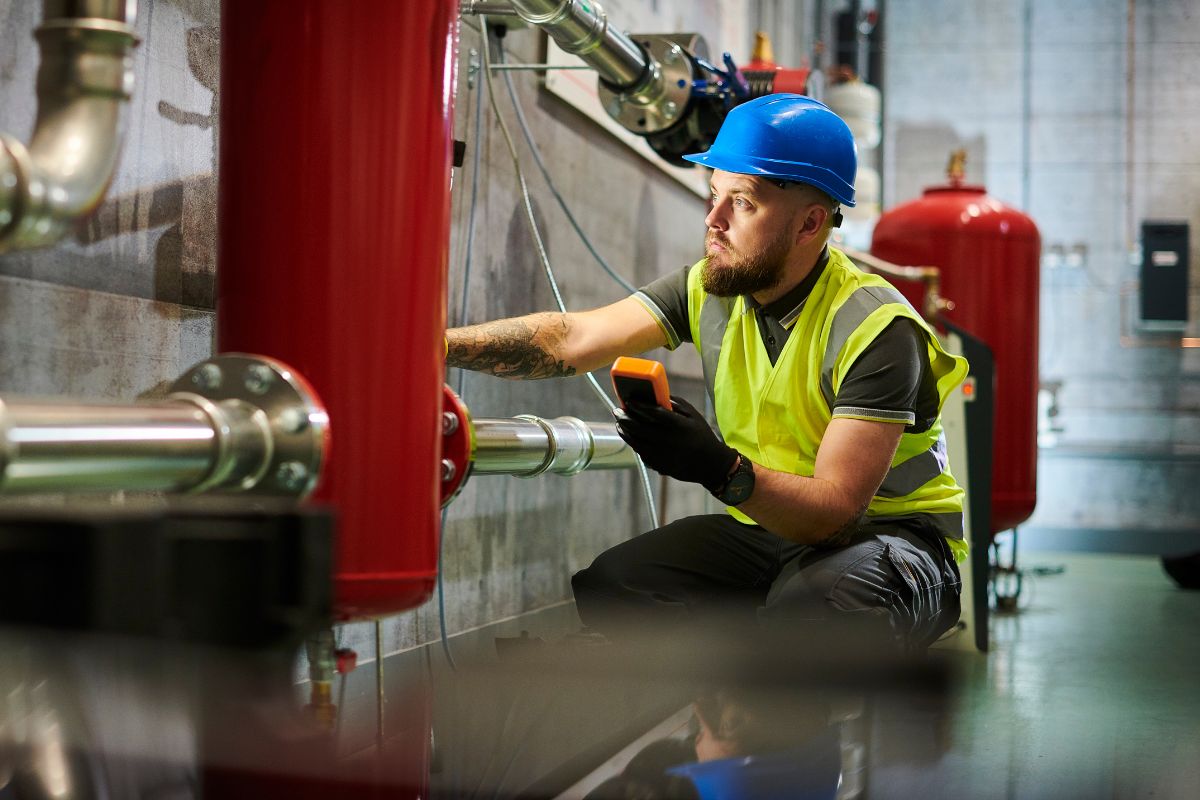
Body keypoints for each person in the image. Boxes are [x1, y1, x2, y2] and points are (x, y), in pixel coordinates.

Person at [446, 93, 967, 652]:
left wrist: (719, 468)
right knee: (618, 588)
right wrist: (435, 347)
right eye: (714, 195)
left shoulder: (876, 327)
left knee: (820, 610)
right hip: (776, 531)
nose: (713, 221)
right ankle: (729, 709)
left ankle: (791, 718)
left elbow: (835, 517)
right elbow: (574, 339)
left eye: (740, 203)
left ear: (810, 224)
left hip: (893, 541)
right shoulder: (712, 289)